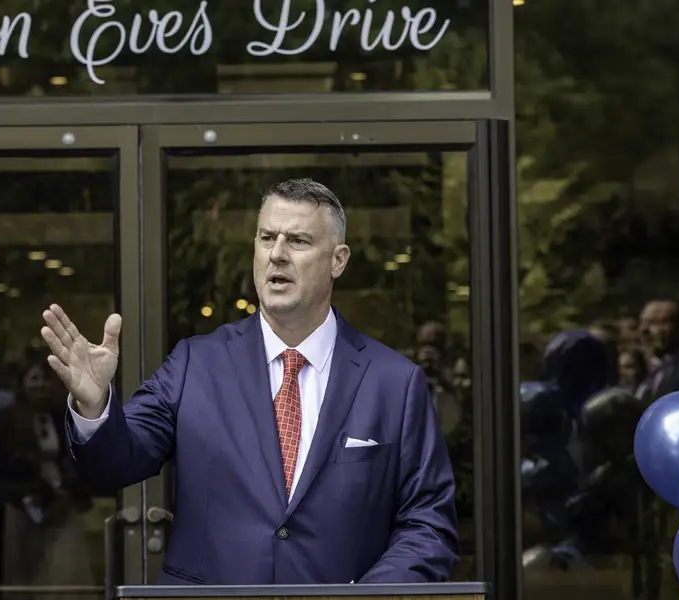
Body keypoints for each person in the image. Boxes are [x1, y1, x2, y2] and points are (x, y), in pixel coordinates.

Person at [41, 178, 459, 585]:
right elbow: (115, 463)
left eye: (297, 241)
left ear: (338, 260)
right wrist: (95, 407)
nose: (277, 254)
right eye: (266, 238)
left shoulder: (395, 383)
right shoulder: (195, 364)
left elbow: (428, 526)